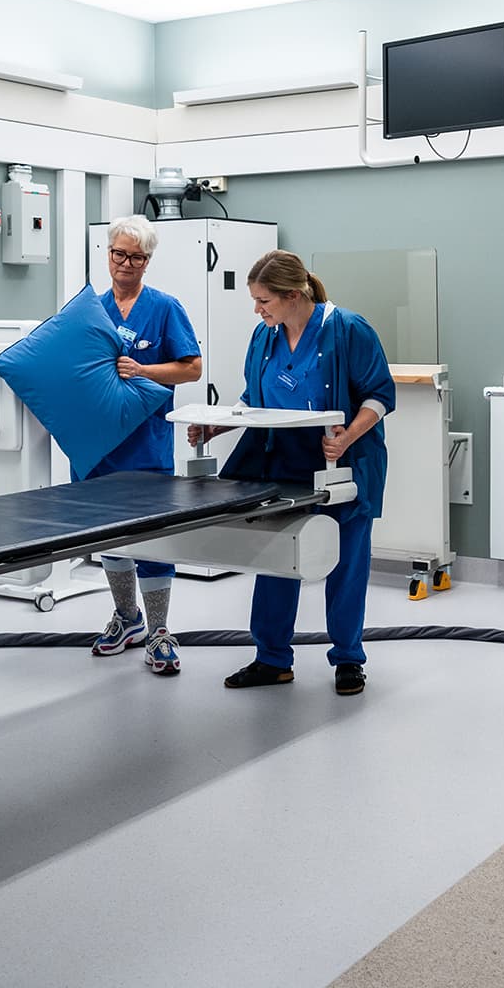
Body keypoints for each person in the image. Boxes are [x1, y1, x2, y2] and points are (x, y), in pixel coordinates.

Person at [187, 251, 395, 696]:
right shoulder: (265, 337)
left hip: (341, 463)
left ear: (293, 295)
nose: (257, 310)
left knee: (347, 563)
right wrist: (217, 423)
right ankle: (273, 658)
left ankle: (348, 659)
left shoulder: (348, 329)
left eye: (264, 301)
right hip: (281, 464)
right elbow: (254, 400)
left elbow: (379, 396)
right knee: (278, 557)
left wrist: (346, 438)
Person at [84, 215, 203, 675]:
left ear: (148, 260)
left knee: (153, 538)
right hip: (100, 447)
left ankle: (158, 632)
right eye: (119, 254)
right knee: (109, 538)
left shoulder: (164, 308)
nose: (126, 263)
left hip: (147, 443)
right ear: (108, 254)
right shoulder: (91, 310)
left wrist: (145, 370)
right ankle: (127, 618)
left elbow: (191, 368)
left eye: (136, 256)